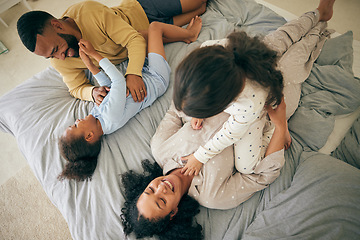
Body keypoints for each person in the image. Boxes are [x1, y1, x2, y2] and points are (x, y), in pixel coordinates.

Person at [173, 0, 335, 176]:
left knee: (298, 51)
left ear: (226, 99)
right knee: (285, 36)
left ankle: (319, 19)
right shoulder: (213, 50)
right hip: (258, 56)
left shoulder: (249, 103)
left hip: (278, 93)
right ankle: (318, 14)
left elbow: (229, 134)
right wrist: (199, 111)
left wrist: (200, 156)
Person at [58, 17, 203, 181]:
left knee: (139, 36)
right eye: (75, 125)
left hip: (143, 73)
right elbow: (118, 82)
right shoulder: (110, 118)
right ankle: (189, 35)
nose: (77, 119)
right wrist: (94, 55)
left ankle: (189, 23)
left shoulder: (97, 116)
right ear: (89, 135)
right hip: (156, 77)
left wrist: (90, 66)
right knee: (154, 28)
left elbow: (110, 89)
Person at [121, 98, 288, 239]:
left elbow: (175, 108)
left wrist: (193, 111)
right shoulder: (213, 196)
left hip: (225, 84)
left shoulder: (160, 149)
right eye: (162, 201)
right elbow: (263, 174)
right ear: (173, 212)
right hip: (269, 109)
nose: (161, 188)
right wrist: (281, 127)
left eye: (150, 189)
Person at [16, 0, 208, 105]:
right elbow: (75, 88)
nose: (59, 57)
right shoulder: (60, 60)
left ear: (57, 25)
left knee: (198, 1)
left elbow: (133, 40)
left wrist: (133, 73)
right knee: (202, 8)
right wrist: (91, 92)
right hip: (151, 33)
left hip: (143, 10)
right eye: (51, 56)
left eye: (56, 49)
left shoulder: (88, 12)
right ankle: (186, 33)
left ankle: (187, 33)